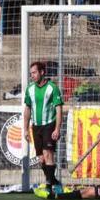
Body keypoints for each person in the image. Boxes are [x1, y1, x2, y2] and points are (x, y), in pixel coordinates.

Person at [23, 61, 64, 192]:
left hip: (49, 125)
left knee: (48, 155)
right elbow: (27, 109)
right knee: (41, 159)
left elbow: (59, 109)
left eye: (34, 72)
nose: (32, 76)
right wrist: (25, 129)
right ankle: (54, 181)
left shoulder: (53, 88)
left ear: (42, 72)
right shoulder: (30, 89)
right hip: (36, 127)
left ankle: (49, 186)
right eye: (31, 74)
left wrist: (57, 128)